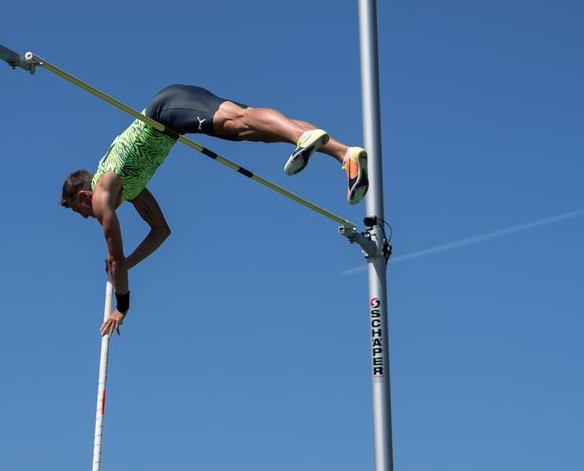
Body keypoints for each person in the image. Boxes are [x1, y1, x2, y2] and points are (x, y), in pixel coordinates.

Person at [59, 86, 369, 336]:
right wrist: (128, 263)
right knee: (256, 130)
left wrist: (122, 304)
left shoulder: (102, 196)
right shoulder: (129, 190)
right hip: (174, 118)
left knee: (242, 120)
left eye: (79, 210)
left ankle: (301, 138)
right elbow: (161, 231)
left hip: (166, 109)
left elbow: (114, 258)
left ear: (85, 194)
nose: (86, 216)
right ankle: (346, 155)